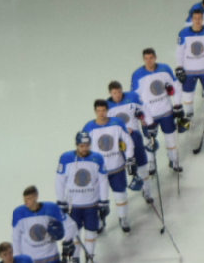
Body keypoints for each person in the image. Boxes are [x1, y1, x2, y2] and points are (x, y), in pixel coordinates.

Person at [83, 99, 142, 233]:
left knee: (120, 194)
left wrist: (130, 159)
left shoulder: (117, 123)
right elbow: (84, 149)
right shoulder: (88, 128)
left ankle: (123, 218)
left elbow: (128, 141)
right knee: (98, 200)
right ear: (95, 111)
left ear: (107, 110)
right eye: (98, 111)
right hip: (98, 171)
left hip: (117, 167)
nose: (101, 113)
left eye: (103, 110)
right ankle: (100, 220)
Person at [55, 131, 113, 261]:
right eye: (82, 146)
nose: (84, 148)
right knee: (75, 231)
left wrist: (104, 200)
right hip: (73, 205)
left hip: (91, 204)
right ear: (77, 145)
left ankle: (89, 255)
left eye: (87, 145)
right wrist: (61, 201)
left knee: (92, 230)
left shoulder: (97, 158)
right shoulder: (66, 158)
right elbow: (60, 181)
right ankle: (75, 258)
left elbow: (103, 180)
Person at [131, 47, 185, 173]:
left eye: (151, 58)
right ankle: (152, 164)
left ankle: (173, 160)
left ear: (155, 57)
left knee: (170, 138)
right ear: (144, 59)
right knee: (149, 142)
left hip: (166, 112)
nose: (149, 61)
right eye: (146, 59)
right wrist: (142, 117)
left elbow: (175, 86)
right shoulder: (137, 75)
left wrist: (177, 105)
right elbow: (135, 97)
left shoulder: (165, 69)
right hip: (150, 116)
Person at [175, 5, 204, 127]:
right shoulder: (184, 33)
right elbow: (180, 51)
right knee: (188, 93)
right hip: (189, 69)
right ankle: (189, 114)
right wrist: (179, 67)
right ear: (191, 19)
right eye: (195, 18)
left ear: (202, 18)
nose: (197, 20)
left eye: (199, 18)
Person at [11, 186, 77, 263]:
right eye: (25, 198)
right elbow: (16, 238)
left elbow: (71, 225)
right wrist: (18, 257)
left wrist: (68, 241)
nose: (26, 202)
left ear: (36, 197)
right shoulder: (19, 213)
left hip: (51, 257)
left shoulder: (51, 208)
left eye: (29, 198)